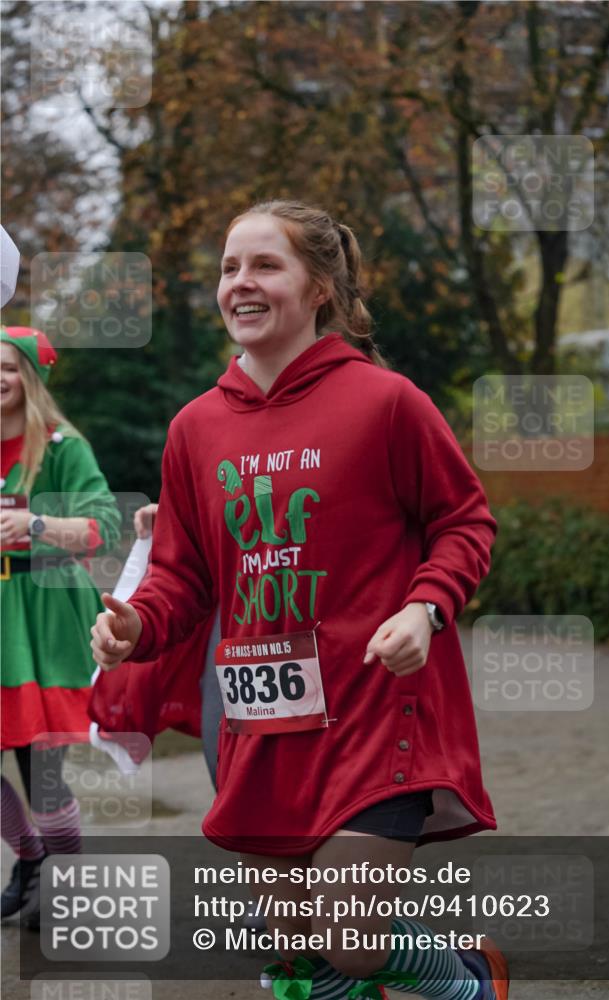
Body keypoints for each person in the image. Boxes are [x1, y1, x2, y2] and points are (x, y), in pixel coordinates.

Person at [90, 202, 508, 1000]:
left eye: (264, 266)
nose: (239, 284)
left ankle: (472, 987)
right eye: (228, 268)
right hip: (263, 725)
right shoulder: (195, 427)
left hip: (375, 711)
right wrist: (138, 625)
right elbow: (184, 576)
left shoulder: (386, 402)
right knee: (293, 945)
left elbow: (464, 521)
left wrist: (423, 608)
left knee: (348, 940)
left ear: (319, 287)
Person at [1, 326, 121, 924]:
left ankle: (66, 878)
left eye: (9, 367)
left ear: (32, 377)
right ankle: (31, 859)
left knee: (41, 771)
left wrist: (36, 525)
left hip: (44, 615)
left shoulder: (60, 445)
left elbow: (105, 525)